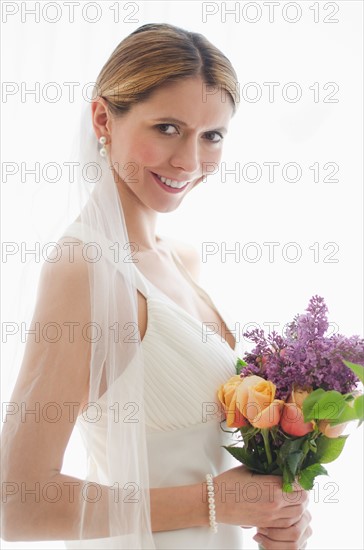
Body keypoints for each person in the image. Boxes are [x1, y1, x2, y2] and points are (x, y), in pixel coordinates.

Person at [1, 23, 311, 549]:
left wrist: (280, 517)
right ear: (104, 119)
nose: (189, 162)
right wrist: (217, 501)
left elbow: (205, 458)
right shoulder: (85, 268)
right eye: (168, 128)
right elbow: (16, 502)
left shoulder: (182, 258)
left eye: (211, 136)